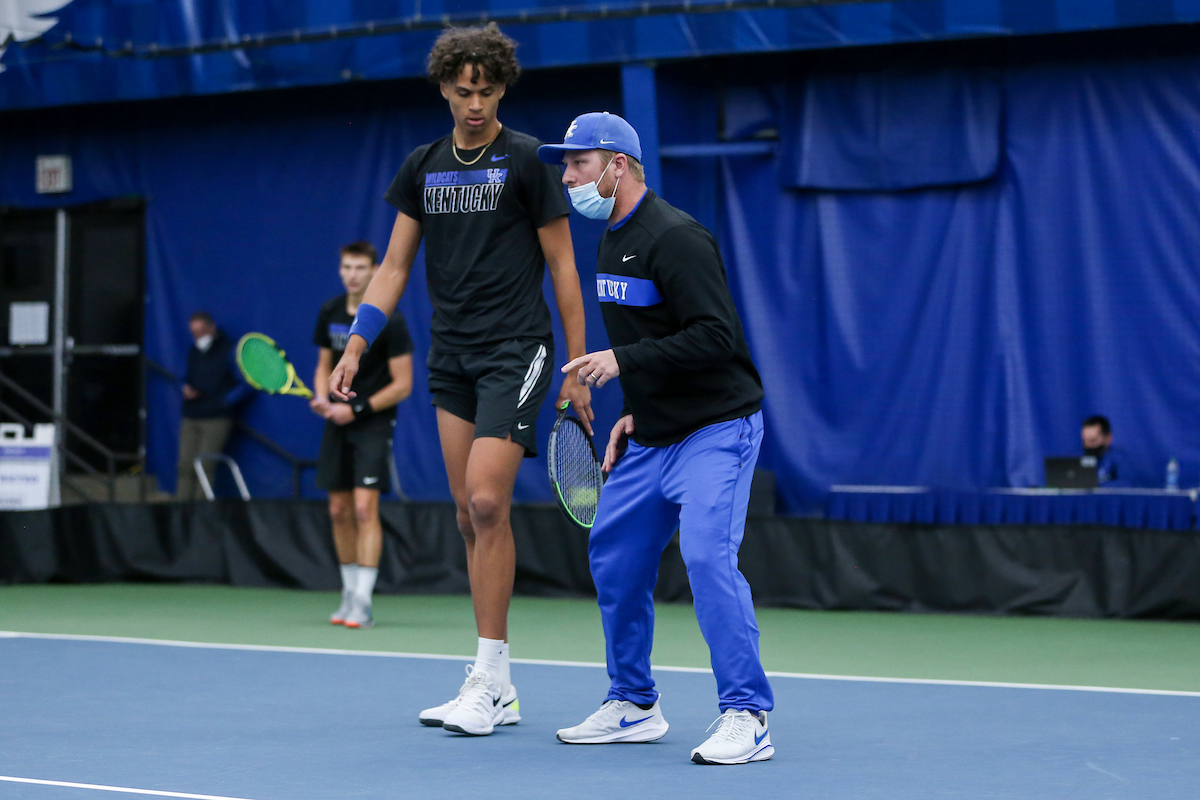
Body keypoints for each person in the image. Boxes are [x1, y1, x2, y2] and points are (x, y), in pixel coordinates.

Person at [328, 24, 591, 736]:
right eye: (463, 89)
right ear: (444, 87)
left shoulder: (530, 160)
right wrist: (356, 345)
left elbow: (565, 267)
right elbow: (392, 268)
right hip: (453, 356)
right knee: (465, 513)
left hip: (518, 350)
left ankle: (490, 673)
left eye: (487, 90)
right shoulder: (422, 165)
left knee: (485, 501)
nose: (475, 103)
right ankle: (494, 685)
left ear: (502, 87)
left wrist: (577, 367)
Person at [539, 112, 775, 765]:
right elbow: (654, 340)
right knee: (613, 555)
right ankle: (634, 704)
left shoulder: (676, 237)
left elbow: (715, 337)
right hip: (652, 433)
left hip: (717, 430)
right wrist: (635, 410)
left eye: (578, 164)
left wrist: (622, 364)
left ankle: (747, 713)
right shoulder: (610, 239)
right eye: (565, 166)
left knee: (706, 558)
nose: (568, 177)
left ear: (617, 165)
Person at [312, 241, 415, 629]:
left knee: (362, 509)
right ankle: (348, 591)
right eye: (346, 267)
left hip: (372, 422)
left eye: (360, 268)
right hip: (335, 422)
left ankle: (364, 600)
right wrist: (323, 397)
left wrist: (354, 408)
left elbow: (403, 385)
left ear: (374, 271)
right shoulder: (329, 312)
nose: (352, 274)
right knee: (338, 510)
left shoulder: (393, 320)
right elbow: (324, 365)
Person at [177, 312, 250, 500]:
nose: (198, 336)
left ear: (212, 328)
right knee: (185, 465)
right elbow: (187, 377)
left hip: (216, 418)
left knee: (205, 465)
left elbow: (246, 383)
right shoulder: (194, 351)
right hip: (192, 414)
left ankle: (201, 511)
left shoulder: (230, 350)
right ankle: (181, 510)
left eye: (201, 331)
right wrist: (186, 389)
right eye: (193, 332)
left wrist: (223, 401)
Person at [1081, 414, 1129, 487]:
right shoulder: (1079, 457)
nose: (1088, 445)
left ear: (1108, 438)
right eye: (1084, 441)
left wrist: (1095, 487)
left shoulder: (1119, 458)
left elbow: (1126, 485)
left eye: (1093, 441)